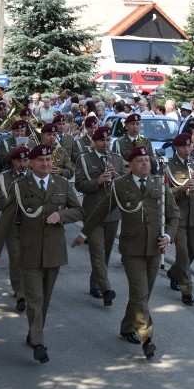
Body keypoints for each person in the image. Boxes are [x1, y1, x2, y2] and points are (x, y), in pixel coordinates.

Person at [0, 144, 84, 364]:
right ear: (31, 163)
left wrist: (62, 215)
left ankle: (34, 330)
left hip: (54, 251)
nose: (46, 164)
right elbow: (5, 220)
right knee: (35, 299)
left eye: (49, 160)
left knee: (45, 299)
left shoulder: (62, 184)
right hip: (28, 251)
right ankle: (39, 343)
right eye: (41, 160)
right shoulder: (20, 186)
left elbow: (79, 210)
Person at [81, 146, 178, 360]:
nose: (145, 163)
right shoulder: (119, 185)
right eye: (140, 160)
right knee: (140, 293)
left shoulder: (159, 183)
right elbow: (101, 211)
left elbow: (174, 215)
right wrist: (84, 232)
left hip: (155, 248)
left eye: (147, 160)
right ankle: (147, 338)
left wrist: (168, 237)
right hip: (132, 250)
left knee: (142, 295)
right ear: (130, 165)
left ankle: (127, 326)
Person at [71, 126, 127, 305]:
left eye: (108, 140)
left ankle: (95, 284)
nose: (106, 143)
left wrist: (116, 176)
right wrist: (98, 181)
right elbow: (79, 185)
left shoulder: (117, 159)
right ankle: (107, 289)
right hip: (93, 213)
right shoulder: (84, 159)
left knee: (106, 255)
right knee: (97, 254)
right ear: (94, 142)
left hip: (112, 213)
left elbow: (126, 184)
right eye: (102, 140)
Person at [162, 133, 194, 305]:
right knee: (183, 253)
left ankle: (174, 272)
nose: (187, 149)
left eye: (189, 145)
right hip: (178, 217)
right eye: (183, 146)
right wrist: (182, 189)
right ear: (176, 147)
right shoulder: (168, 166)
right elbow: (165, 193)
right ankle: (186, 290)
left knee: (193, 252)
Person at [0, 145, 32, 312]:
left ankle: (30, 287)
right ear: (13, 162)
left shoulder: (35, 175)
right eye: (19, 161)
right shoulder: (4, 177)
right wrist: (11, 208)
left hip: (32, 226)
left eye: (25, 160)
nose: (22, 164)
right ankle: (20, 293)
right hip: (12, 224)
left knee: (30, 259)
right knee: (16, 258)